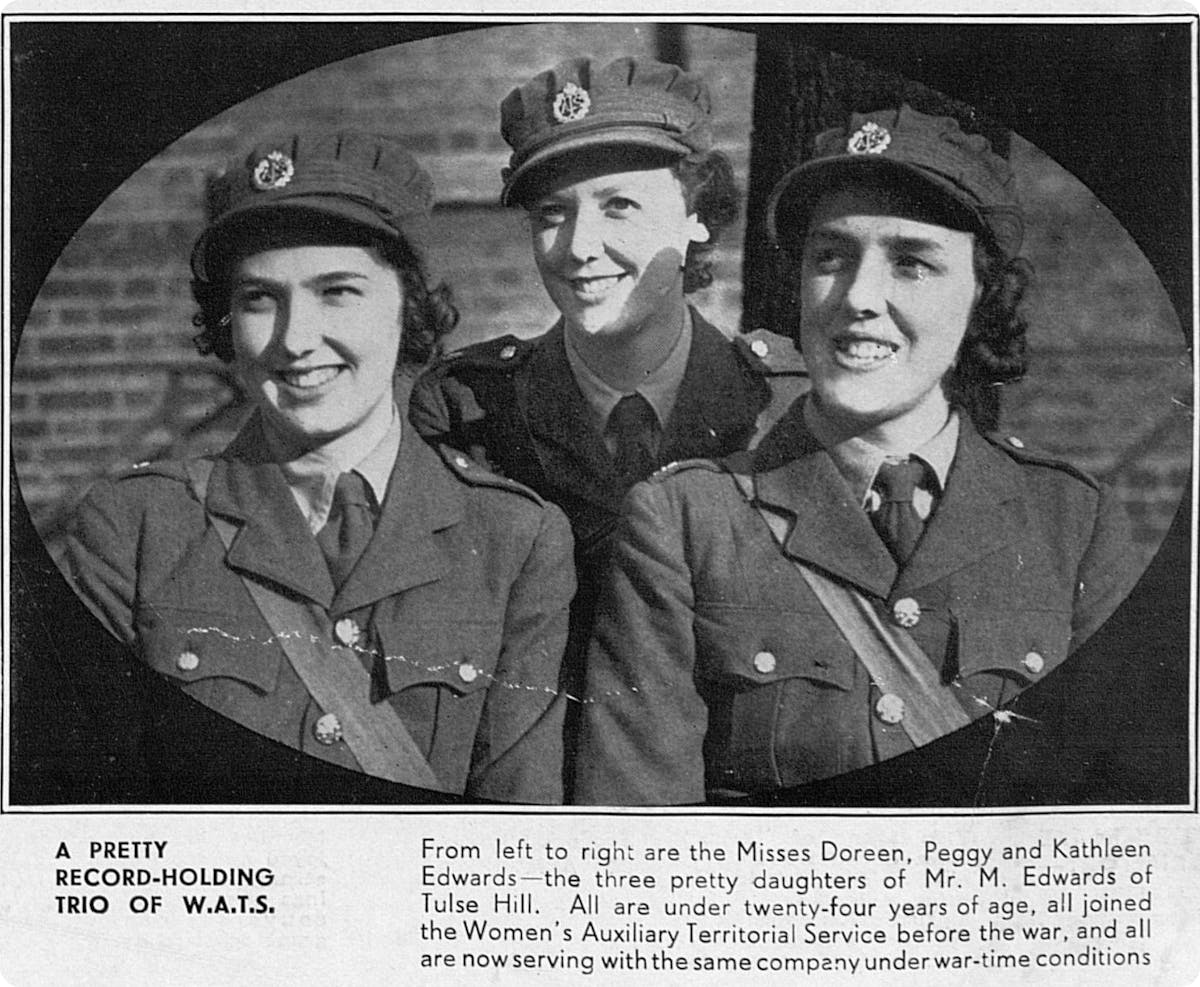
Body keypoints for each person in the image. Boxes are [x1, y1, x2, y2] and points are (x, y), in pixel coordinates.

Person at [575, 105, 1138, 805]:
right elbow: (640, 837)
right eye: (831, 257)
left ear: (981, 296)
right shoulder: (687, 523)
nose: (859, 298)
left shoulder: (1071, 525)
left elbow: (1113, 808)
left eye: (911, 262)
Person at [60, 131, 574, 803]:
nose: (296, 339)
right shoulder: (134, 531)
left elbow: (513, 827)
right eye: (259, 299)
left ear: (408, 302)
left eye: (337, 291)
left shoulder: (513, 539)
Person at [408, 56, 805, 785]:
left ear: (694, 217)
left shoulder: (781, 405)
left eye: (619, 205)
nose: (580, 246)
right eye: (552, 214)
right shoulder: (468, 408)